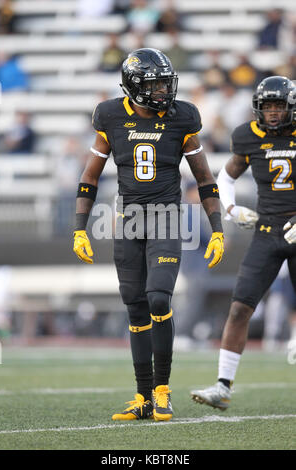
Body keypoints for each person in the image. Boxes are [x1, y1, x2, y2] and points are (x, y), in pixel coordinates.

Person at [73, 48, 224, 421]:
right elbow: (89, 178)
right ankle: (142, 397)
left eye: (164, 83)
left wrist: (218, 230)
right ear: (134, 86)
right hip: (128, 221)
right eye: (154, 84)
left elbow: (205, 179)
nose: (162, 91)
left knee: (158, 298)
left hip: (167, 217)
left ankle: (162, 390)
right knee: (135, 305)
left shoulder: (182, 118)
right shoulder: (109, 116)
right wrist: (79, 230)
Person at [191, 75, 296, 410]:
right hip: (267, 231)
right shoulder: (247, 136)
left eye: (279, 106)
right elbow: (226, 175)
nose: (274, 113)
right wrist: (232, 208)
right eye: (268, 106)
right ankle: (223, 386)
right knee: (240, 307)